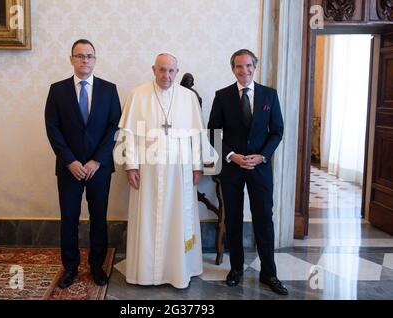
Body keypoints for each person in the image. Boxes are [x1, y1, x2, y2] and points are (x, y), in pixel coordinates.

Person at [117, 53, 204, 289]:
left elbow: (196, 135)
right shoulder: (138, 95)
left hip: (180, 172)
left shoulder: (188, 98)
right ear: (153, 69)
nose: (166, 75)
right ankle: (146, 272)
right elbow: (130, 136)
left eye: (171, 71)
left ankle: (178, 270)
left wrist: (198, 166)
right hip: (148, 171)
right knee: (148, 216)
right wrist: (131, 165)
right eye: (162, 70)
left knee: (178, 216)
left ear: (177, 72)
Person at [208, 49, 288, 295]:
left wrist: (262, 155)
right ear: (232, 69)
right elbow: (213, 132)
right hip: (232, 169)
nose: (244, 71)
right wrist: (232, 156)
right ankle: (236, 269)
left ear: (255, 66)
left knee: (264, 219)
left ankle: (269, 273)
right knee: (232, 218)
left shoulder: (269, 95)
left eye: (248, 66)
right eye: (239, 67)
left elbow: (277, 131)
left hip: (260, 168)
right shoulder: (221, 96)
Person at [45, 39, 121, 289]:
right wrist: (70, 161)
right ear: (71, 59)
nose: (85, 60)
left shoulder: (109, 90)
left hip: (98, 168)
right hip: (70, 169)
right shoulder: (57, 90)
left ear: (95, 60)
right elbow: (52, 128)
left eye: (89, 56)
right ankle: (70, 268)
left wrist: (96, 160)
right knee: (69, 219)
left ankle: (97, 267)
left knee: (99, 218)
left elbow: (114, 127)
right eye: (79, 56)